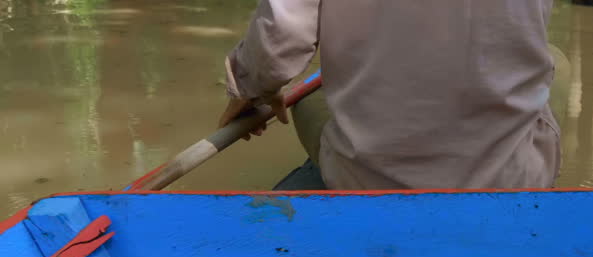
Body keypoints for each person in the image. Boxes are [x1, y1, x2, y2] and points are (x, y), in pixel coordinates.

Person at [219, 0, 569, 190]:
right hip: (510, 179)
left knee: (309, 96)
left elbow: (280, 39)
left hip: (368, 180)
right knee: (556, 62)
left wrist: (249, 88)